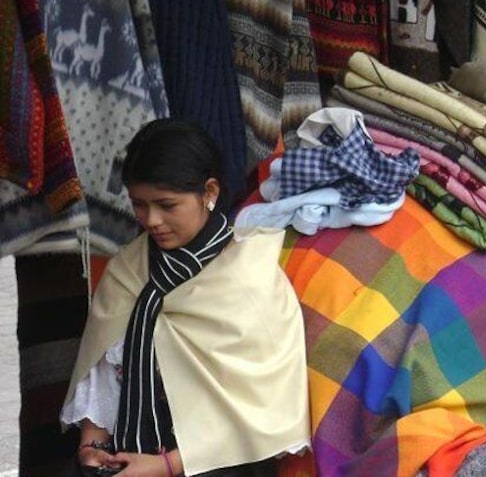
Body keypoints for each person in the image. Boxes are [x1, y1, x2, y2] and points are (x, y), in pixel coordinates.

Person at [60, 119, 310, 476]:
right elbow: (104, 372)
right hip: (128, 456)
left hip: (219, 465)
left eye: (166, 205)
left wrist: (166, 465)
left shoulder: (249, 280)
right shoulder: (127, 271)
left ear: (209, 192)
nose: (152, 220)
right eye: (139, 205)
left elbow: (263, 416)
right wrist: (92, 446)